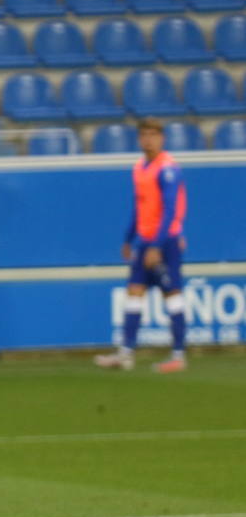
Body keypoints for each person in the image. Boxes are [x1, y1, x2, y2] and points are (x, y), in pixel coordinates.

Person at [95, 119, 188, 373]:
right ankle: (126, 354)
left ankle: (179, 355)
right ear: (138, 139)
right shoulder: (139, 168)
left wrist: (157, 245)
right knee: (133, 294)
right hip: (144, 241)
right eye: (144, 135)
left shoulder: (168, 169)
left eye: (153, 135)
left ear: (162, 138)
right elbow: (140, 207)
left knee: (173, 296)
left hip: (165, 241)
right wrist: (128, 239)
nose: (148, 139)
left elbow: (169, 210)